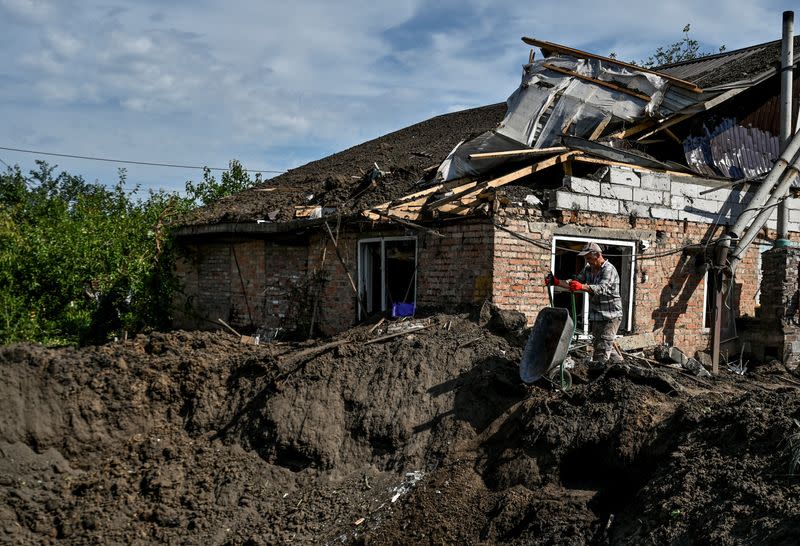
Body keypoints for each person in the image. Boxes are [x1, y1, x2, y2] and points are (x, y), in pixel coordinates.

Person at [545, 242, 624, 370]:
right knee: (601, 343)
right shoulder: (588, 269)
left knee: (602, 347)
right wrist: (557, 282)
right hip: (597, 314)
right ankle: (621, 367)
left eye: (588, 258)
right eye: (586, 258)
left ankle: (598, 377)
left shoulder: (608, 269)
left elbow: (601, 288)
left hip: (611, 315)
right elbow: (575, 282)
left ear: (598, 255)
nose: (587, 261)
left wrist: (582, 287)